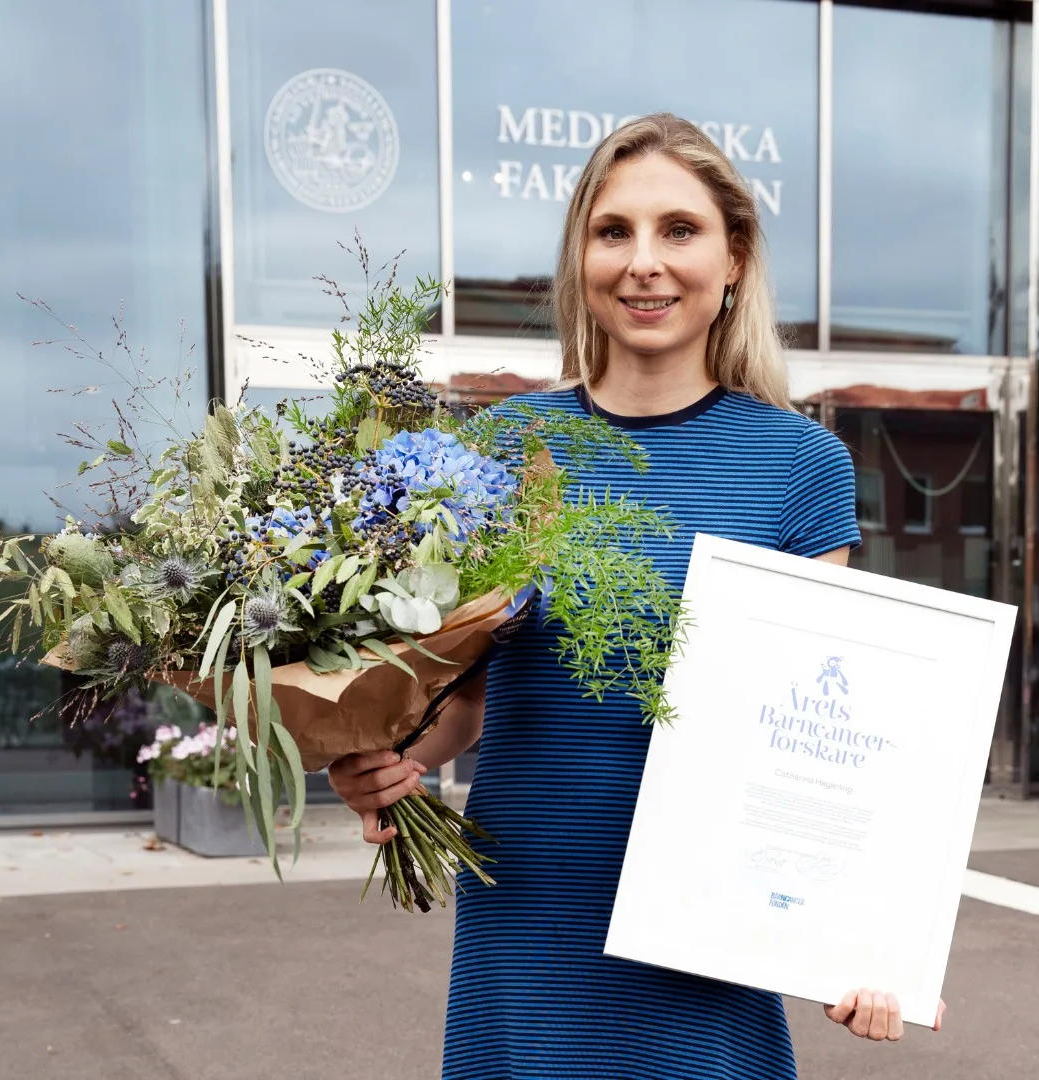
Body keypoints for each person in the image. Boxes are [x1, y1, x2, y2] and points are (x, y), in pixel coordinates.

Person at [328, 113, 946, 1079]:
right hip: (527, 907)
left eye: (680, 231)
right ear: (580, 257)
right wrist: (382, 758)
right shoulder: (497, 454)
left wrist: (855, 937)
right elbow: (466, 697)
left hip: (704, 932)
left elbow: (824, 738)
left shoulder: (800, 466)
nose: (644, 263)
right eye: (613, 231)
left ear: (734, 258)